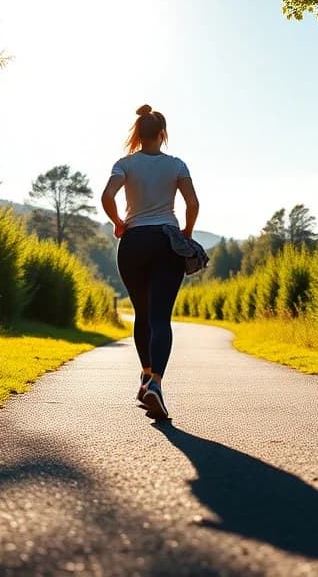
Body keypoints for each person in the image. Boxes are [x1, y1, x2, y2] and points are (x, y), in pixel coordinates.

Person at [101, 104, 199, 421]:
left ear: (138, 134)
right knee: (160, 318)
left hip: (133, 244)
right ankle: (155, 382)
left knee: (142, 314)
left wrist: (118, 222)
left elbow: (107, 196)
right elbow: (193, 203)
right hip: (166, 241)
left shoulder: (124, 164)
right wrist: (186, 231)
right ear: (162, 134)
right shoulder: (177, 165)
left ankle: (145, 377)